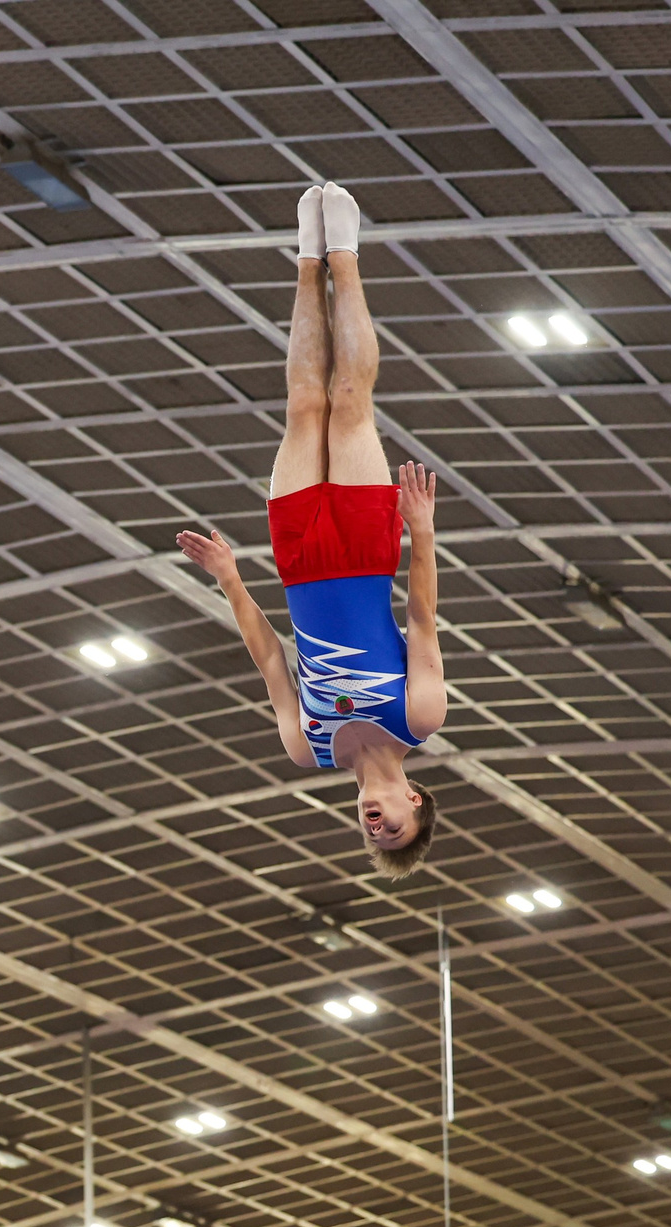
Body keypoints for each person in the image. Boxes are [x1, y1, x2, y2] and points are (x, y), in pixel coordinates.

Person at [178, 183, 446, 877]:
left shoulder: (309, 746)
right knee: (350, 403)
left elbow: (271, 660)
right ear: (415, 799)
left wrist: (230, 578)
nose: (377, 827)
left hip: (297, 563)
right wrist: (420, 530)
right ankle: (346, 256)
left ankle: (306, 260)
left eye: (372, 838)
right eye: (395, 830)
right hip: (363, 554)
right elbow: (421, 618)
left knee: (303, 405)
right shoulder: (420, 714)